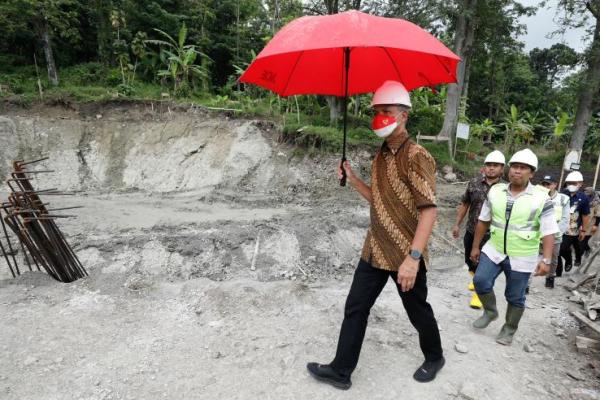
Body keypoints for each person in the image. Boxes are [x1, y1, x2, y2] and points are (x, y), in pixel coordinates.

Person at [306, 81, 444, 390]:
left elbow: (429, 210)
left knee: (416, 308)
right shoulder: (380, 155)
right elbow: (380, 200)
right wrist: (354, 180)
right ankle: (341, 371)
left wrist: (413, 258)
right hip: (375, 248)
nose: (380, 116)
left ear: (404, 115)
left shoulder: (417, 155)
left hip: (406, 252)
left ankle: (434, 356)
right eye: (377, 111)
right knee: (356, 306)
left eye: (387, 111)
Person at [469, 149, 557, 345]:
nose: (517, 171)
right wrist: (476, 247)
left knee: (515, 296)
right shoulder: (495, 191)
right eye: (514, 167)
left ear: (531, 173)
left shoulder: (542, 198)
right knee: (480, 281)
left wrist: (547, 259)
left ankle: (509, 329)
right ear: (509, 170)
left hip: (522, 254)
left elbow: (549, 230)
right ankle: (491, 312)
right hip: (494, 249)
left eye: (523, 168)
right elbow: (483, 220)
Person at [452, 150, 505, 309]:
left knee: (484, 265)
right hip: (471, 229)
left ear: (502, 168)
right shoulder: (474, 183)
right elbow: (465, 203)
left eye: (495, 165)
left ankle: (478, 295)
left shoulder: (505, 188)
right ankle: (475, 278)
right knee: (470, 260)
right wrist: (457, 224)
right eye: (488, 165)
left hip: (492, 235)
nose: (491, 168)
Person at [538, 175, 570, 289]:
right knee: (532, 257)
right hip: (537, 233)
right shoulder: (537, 196)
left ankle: (550, 277)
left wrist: (555, 232)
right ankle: (527, 283)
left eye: (549, 184)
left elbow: (565, 218)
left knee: (553, 258)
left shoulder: (563, 199)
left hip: (555, 233)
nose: (546, 186)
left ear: (555, 184)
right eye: (544, 184)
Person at [558, 171, 590, 274]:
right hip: (559, 226)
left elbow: (585, 215)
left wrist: (584, 230)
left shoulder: (583, 198)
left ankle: (568, 260)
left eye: (574, 183)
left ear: (580, 184)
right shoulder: (561, 194)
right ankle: (567, 262)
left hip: (572, 229)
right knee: (558, 249)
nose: (571, 185)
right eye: (569, 183)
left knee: (563, 248)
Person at [581, 187, 600, 257]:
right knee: (581, 239)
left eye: (588, 192)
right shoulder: (583, 200)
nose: (586, 194)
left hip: (590, 224)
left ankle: (581, 254)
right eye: (585, 192)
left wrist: (596, 225)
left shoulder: (596, 202)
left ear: (592, 193)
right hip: (582, 222)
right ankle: (587, 249)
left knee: (584, 240)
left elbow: (598, 215)